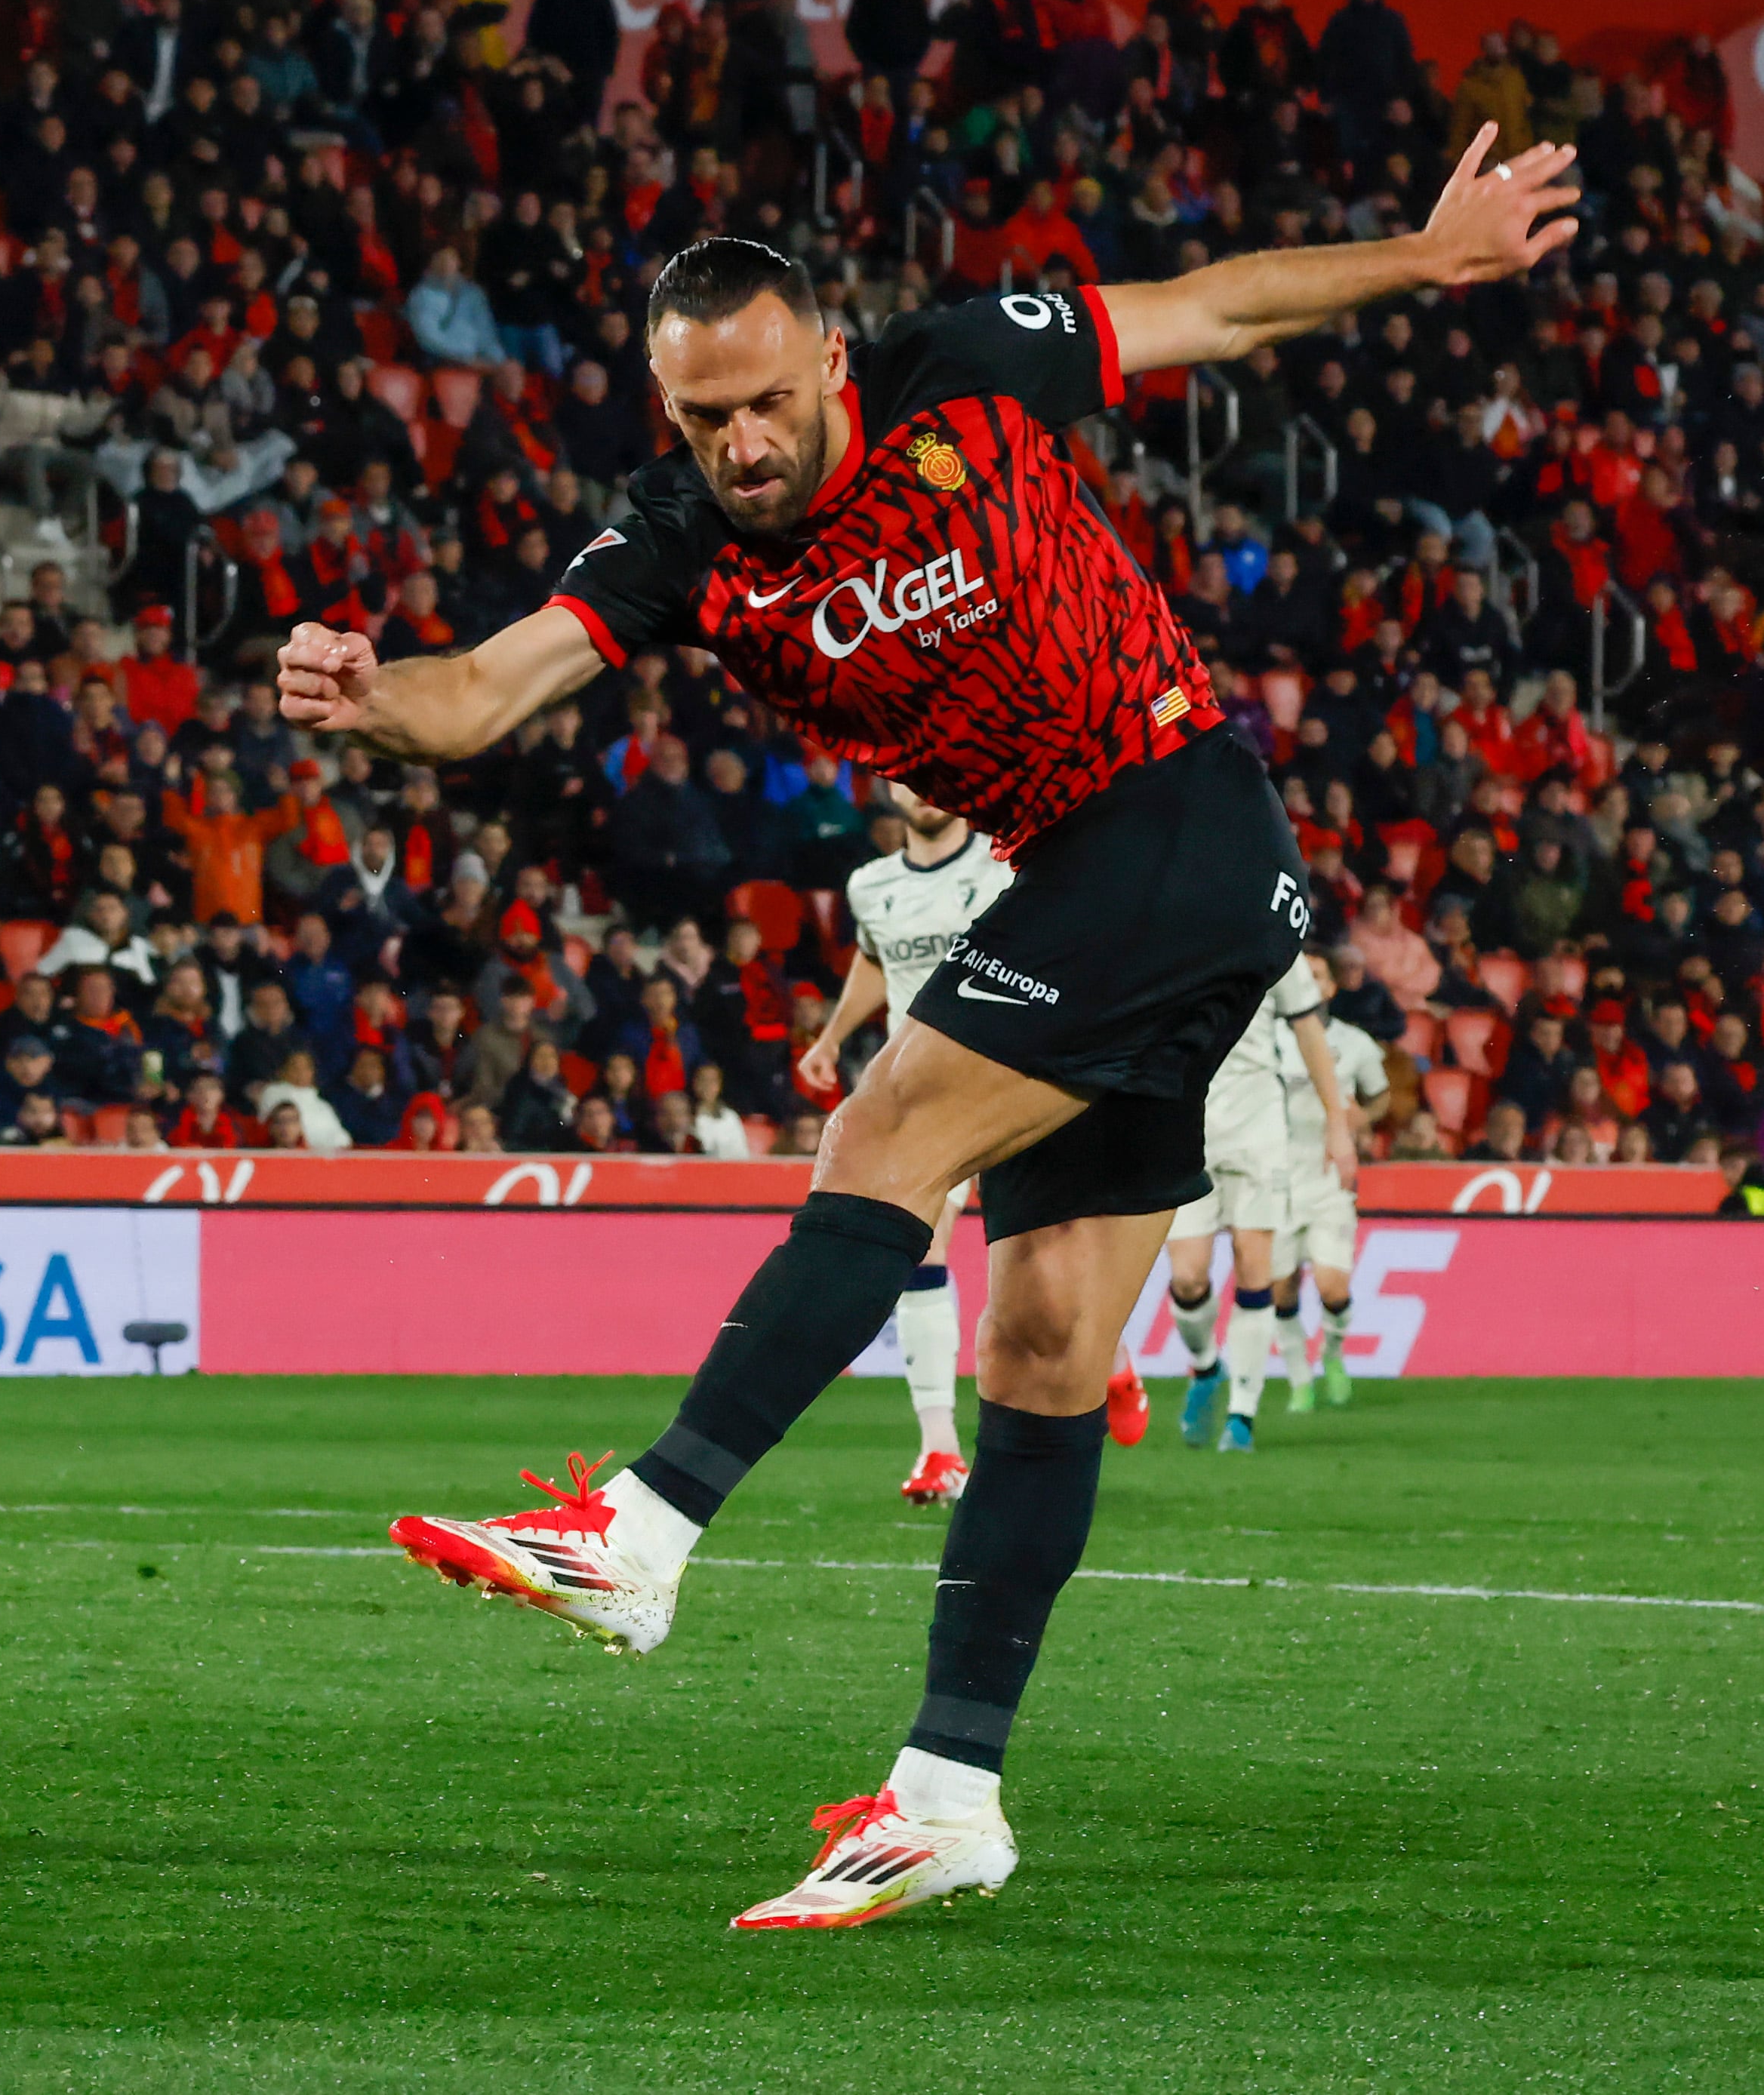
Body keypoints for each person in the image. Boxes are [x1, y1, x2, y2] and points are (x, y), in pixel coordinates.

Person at [276, 134, 1574, 1929]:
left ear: (825, 361)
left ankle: (640, 1532)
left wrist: (1423, 258)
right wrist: (370, 697)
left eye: (763, 401)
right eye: (701, 412)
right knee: (1041, 1349)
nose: (739, 443)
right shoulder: (672, 540)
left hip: (1176, 820)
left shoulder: (965, 364)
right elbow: (486, 689)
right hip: (1092, 876)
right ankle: (950, 1789)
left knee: (884, 1133)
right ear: (667, 402)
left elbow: (1210, 303)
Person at [802, 780, 1150, 1504]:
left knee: (1049, 1278)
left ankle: (1113, 1359)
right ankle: (939, 1450)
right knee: (916, 1247)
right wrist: (832, 1037)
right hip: (922, 1099)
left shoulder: (1004, 868)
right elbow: (876, 959)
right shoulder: (871, 885)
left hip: (1016, 1081)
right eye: (902, 779)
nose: (917, 790)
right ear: (886, 791)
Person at [1156, 948, 1357, 1452]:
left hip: (1258, 1127)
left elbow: (1309, 1028)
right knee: (1187, 1276)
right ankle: (1205, 1367)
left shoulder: (1270, 935)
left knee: (1255, 1269)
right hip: (1183, 1124)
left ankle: (1242, 1413)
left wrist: (1337, 1121)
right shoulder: (1169, 932)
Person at [1264, 946, 1389, 1411]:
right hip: (1276, 1176)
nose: (1309, 983)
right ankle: (1299, 1378)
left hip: (1328, 1175)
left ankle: (1333, 1356)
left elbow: (1380, 1099)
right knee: (1281, 1287)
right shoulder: (1268, 1039)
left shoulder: (1355, 1045)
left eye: (1317, 975)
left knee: (1333, 1286)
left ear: (1332, 987)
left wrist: (1361, 1118)